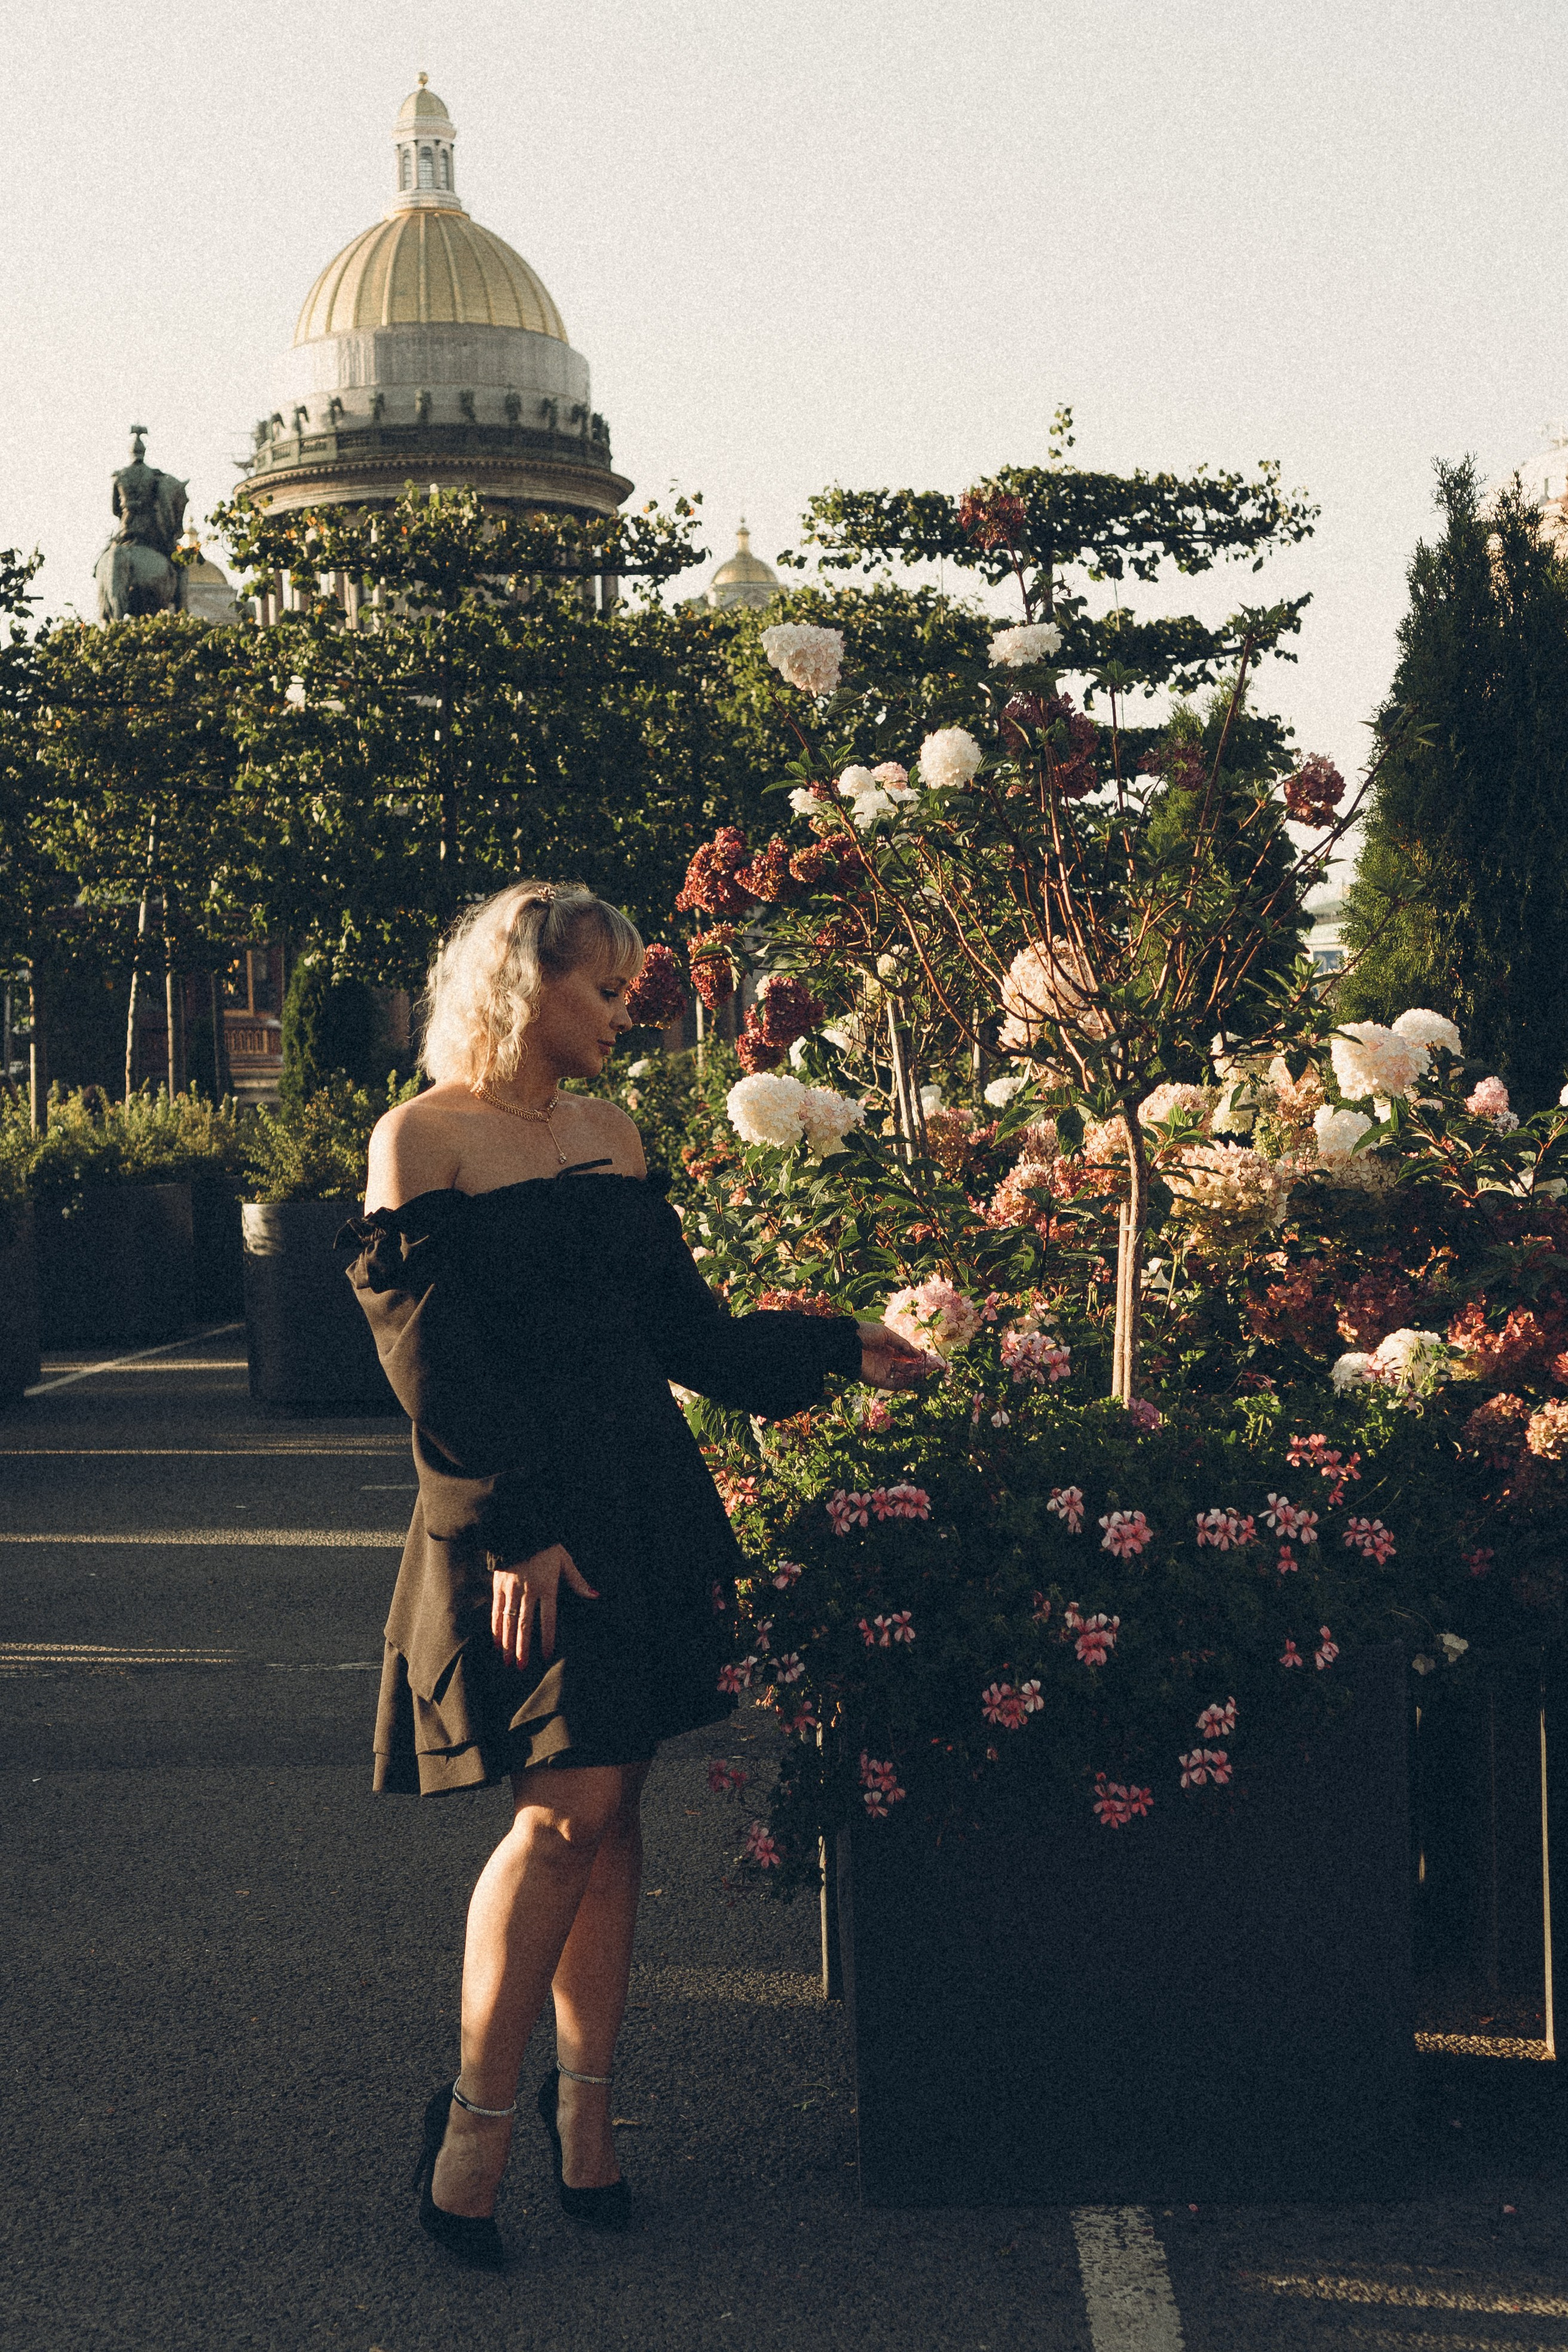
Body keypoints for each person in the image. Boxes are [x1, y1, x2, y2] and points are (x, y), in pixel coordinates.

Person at [342, 881, 929, 2268]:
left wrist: (837, 1343)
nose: (623, 1011)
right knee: (561, 1813)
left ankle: (586, 2118)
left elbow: (688, 1334)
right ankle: (475, 2126)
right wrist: (512, 1525)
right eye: (602, 989)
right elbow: (427, 1355)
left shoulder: (610, 1132)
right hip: (519, 1521)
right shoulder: (419, 1137)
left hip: (639, 1504)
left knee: (610, 1812)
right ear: (521, 989)